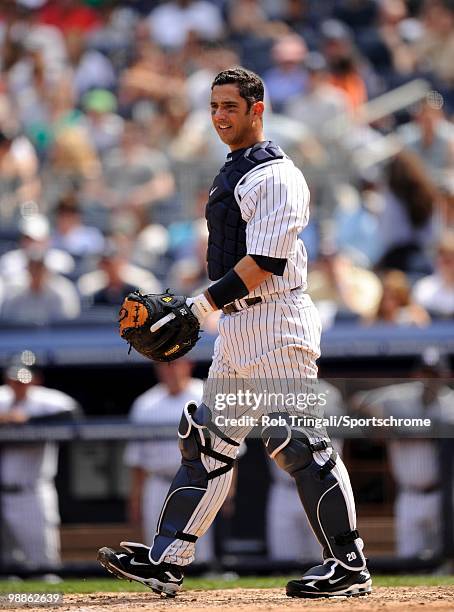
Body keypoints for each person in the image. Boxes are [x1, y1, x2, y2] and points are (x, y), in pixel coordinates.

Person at [97, 67, 371, 599]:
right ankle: (166, 560)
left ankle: (348, 565)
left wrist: (198, 309)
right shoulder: (234, 169)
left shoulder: (277, 175)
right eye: (215, 107)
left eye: (231, 107)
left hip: (277, 319)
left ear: (257, 110)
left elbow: (265, 260)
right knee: (207, 443)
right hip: (241, 325)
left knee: (297, 441)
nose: (221, 116)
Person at [351, 348, 454, 558]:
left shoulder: (450, 402)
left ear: (445, 376)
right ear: (417, 375)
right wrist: (379, 420)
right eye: (425, 373)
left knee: (443, 560)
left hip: (442, 494)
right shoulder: (399, 397)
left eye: (435, 374)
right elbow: (358, 400)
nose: (429, 379)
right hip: (408, 494)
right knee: (409, 557)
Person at [124, 360, 214, 563]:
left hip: (197, 480)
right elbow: (137, 459)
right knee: (156, 550)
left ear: (188, 364)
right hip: (158, 483)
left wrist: (227, 491)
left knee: (200, 552)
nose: (169, 370)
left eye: (174, 364)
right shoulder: (145, 404)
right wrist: (135, 497)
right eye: (163, 365)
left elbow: (229, 451)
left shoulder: (206, 396)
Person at [0, 359, 79, 570]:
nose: (18, 385)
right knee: (7, 569)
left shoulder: (46, 400)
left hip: (31, 493)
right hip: (2, 493)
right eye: (13, 380)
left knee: (43, 565)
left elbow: (74, 415)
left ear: (35, 380)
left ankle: (47, 601)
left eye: (23, 380)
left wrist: (27, 422)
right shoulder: (2, 398)